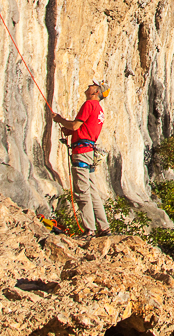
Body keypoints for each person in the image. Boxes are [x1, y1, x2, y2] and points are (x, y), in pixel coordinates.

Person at [53, 80, 110, 237]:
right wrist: (70, 132)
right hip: (89, 151)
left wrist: (59, 119)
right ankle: (104, 227)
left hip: (82, 151)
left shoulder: (89, 105)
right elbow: (85, 128)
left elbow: (75, 126)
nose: (88, 87)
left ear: (96, 92)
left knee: (82, 191)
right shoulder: (99, 110)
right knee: (92, 191)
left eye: (91, 86)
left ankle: (89, 229)